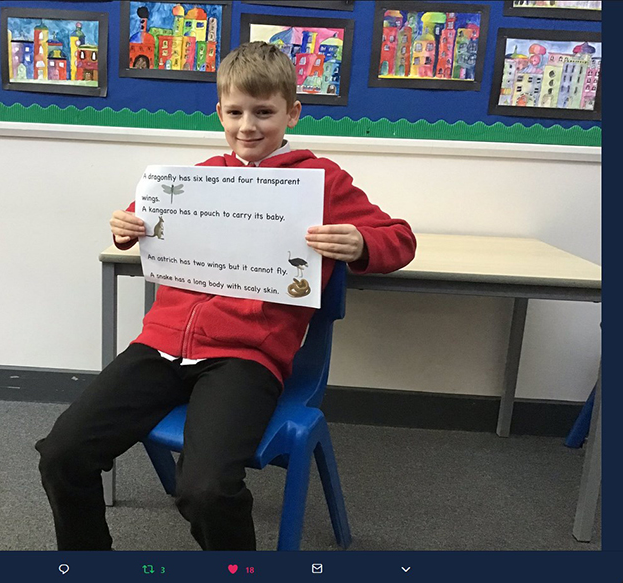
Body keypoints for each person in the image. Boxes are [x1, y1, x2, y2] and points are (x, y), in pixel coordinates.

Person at [35, 41, 416, 551]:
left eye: (264, 112)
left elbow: (400, 238)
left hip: (245, 355)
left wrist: (362, 242)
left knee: (207, 490)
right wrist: (126, 227)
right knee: (62, 454)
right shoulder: (198, 177)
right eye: (235, 112)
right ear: (219, 113)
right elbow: (140, 219)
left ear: (292, 113)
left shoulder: (321, 180)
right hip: (161, 345)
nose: (247, 126)